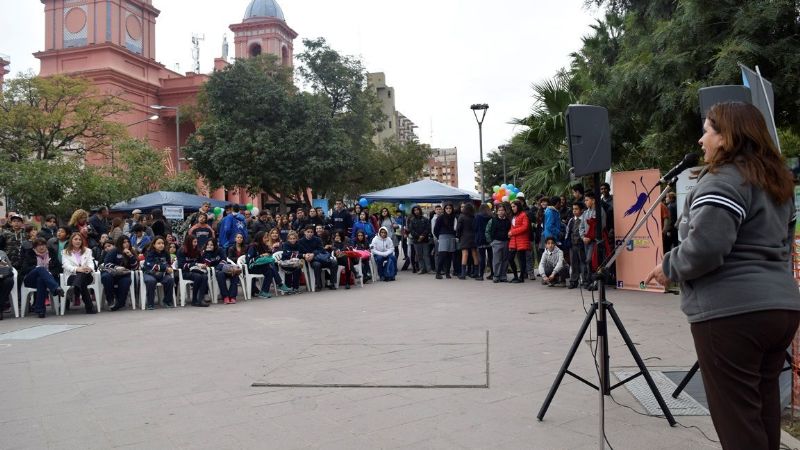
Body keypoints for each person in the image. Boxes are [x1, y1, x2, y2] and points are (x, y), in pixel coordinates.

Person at [645, 102, 800, 450]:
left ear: (727, 136)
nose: (701, 140)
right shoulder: (778, 183)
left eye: (707, 131)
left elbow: (707, 247)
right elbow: (782, 246)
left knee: (737, 420)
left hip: (732, 314)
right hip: (781, 309)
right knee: (762, 409)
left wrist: (668, 267)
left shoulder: (724, 180)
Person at [20, 239, 63, 318]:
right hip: (31, 280)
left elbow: (59, 268)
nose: (42, 247)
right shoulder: (30, 253)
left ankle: (40, 310)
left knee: (41, 280)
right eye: (39, 245)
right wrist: (36, 268)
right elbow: (24, 269)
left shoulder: (51, 253)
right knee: (40, 269)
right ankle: (56, 287)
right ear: (35, 247)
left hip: (47, 280)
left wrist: (49, 273)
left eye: (43, 245)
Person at [61, 232, 97, 314]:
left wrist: (89, 268)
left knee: (82, 276)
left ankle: (76, 288)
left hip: (87, 275)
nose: (78, 241)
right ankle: (89, 307)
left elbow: (91, 263)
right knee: (82, 282)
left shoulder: (88, 251)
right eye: (76, 239)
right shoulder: (65, 252)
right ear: (71, 241)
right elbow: (66, 265)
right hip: (72, 276)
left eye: (80, 239)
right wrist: (78, 269)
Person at [247, 231, 290, 298]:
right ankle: (280, 284)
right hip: (252, 268)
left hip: (262, 266)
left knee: (270, 270)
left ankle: (264, 292)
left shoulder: (264, 246)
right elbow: (249, 261)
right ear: (260, 238)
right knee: (270, 267)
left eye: (267, 237)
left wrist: (269, 250)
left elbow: (268, 257)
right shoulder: (252, 246)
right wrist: (261, 256)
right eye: (265, 238)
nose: (267, 239)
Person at [101, 236, 139, 311]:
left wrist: (130, 256)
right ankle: (110, 300)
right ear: (120, 243)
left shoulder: (131, 251)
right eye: (124, 242)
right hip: (111, 273)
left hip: (124, 275)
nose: (127, 244)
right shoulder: (114, 251)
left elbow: (135, 268)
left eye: (128, 242)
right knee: (106, 277)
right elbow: (106, 264)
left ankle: (120, 303)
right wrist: (116, 267)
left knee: (126, 281)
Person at [298, 226, 337, 291]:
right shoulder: (300, 241)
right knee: (317, 265)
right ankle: (319, 285)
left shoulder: (317, 239)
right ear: (305, 232)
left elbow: (321, 250)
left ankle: (332, 283)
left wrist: (313, 254)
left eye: (311, 232)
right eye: (308, 232)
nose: (310, 233)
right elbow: (299, 253)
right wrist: (305, 255)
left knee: (334, 262)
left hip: (321, 258)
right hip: (311, 260)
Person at [202, 239, 240, 304]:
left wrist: (218, 268)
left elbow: (224, 260)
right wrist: (208, 252)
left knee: (235, 274)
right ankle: (225, 296)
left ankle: (232, 296)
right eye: (208, 245)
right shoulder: (205, 252)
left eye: (211, 245)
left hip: (224, 268)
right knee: (220, 274)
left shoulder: (220, 250)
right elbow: (206, 264)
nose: (209, 246)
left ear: (215, 245)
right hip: (213, 271)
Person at [142, 236, 176, 309]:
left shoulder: (166, 253)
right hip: (150, 273)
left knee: (170, 280)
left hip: (162, 274)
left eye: (162, 243)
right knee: (151, 281)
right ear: (154, 245)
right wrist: (165, 268)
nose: (161, 245)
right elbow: (150, 265)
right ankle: (150, 303)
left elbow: (168, 263)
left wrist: (169, 268)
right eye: (159, 243)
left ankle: (167, 302)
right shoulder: (149, 253)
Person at [176, 235, 210, 307]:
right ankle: (194, 300)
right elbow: (181, 265)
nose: (196, 244)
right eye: (194, 242)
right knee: (198, 277)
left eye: (196, 242)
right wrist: (195, 264)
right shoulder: (181, 251)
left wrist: (204, 264)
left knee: (204, 276)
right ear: (189, 242)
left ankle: (200, 299)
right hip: (185, 272)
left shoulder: (197, 250)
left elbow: (201, 261)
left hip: (196, 270)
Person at [485, 203, 511, 283]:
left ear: (505, 211)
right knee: (497, 260)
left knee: (505, 260)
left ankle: (503, 276)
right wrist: (491, 242)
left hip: (506, 242)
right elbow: (487, 231)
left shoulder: (508, 221)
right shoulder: (492, 220)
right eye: (499, 210)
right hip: (496, 242)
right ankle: (496, 276)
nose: (501, 212)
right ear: (496, 212)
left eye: (502, 210)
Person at [507, 200, 531, 283]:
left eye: (514, 206)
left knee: (521, 259)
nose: (512, 208)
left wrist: (512, 232)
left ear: (518, 206)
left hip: (521, 240)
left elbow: (525, 227)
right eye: (512, 206)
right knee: (510, 258)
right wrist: (510, 232)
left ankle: (521, 277)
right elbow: (513, 227)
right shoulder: (514, 216)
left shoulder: (523, 215)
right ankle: (515, 276)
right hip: (514, 240)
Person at [566, 202, 587, 289]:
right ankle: (574, 281)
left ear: (582, 210)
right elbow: (568, 231)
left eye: (576, 209)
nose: (574, 211)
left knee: (583, 263)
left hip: (582, 244)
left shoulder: (584, 219)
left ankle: (585, 281)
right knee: (574, 263)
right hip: (573, 245)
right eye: (573, 209)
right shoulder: (571, 220)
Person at [433, 203, 457, 279]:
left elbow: (456, 228)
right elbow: (435, 229)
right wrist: (439, 238)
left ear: (452, 209)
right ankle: (438, 273)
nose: (448, 210)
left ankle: (447, 273)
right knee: (442, 255)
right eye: (447, 208)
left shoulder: (454, 217)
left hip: (451, 237)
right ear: (444, 209)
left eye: (450, 208)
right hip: (443, 237)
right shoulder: (440, 217)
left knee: (449, 256)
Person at [456, 203, 478, 279]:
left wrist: (458, 236)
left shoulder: (461, 216)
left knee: (465, 254)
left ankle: (463, 274)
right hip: (473, 236)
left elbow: (458, 228)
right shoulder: (474, 216)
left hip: (464, 236)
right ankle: (476, 272)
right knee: (474, 254)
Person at [408, 206, 431, 274]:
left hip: (425, 239)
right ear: (413, 212)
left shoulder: (425, 219)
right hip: (416, 240)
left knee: (426, 255)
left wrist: (423, 236)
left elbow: (428, 229)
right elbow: (411, 230)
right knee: (419, 255)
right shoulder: (412, 220)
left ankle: (429, 269)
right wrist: (418, 236)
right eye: (415, 210)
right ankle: (422, 269)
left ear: (420, 210)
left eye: (417, 210)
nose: (416, 211)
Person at [473, 204, 493, 281]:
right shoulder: (491, 216)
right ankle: (492, 274)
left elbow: (475, 227)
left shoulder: (478, 216)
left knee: (482, 257)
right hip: (489, 239)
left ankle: (481, 275)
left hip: (480, 238)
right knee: (491, 257)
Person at [0, 250, 15, 320]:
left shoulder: (2, 253)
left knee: (9, 281)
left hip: (3, 276)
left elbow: (10, 268)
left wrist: (4, 266)